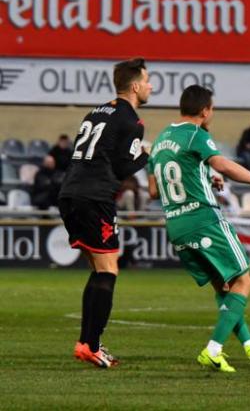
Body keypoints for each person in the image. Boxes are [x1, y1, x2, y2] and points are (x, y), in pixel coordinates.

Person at [148, 85, 250, 373]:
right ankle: (213, 349)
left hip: (176, 225)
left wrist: (205, 176)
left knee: (225, 286)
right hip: (204, 220)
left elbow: (152, 189)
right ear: (206, 110)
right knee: (244, 282)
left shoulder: (160, 140)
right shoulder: (197, 134)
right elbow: (223, 163)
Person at [59, 57, 152, 368]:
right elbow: (125, 166)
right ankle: (93, 345)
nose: (150, 86)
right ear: (136, 85)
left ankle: (86, 343)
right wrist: (146, 155)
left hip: (70, 192)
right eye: (148, 81)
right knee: (109, 270)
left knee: (98, 269)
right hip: (95, 197)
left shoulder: (96, 111)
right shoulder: (132, 121)